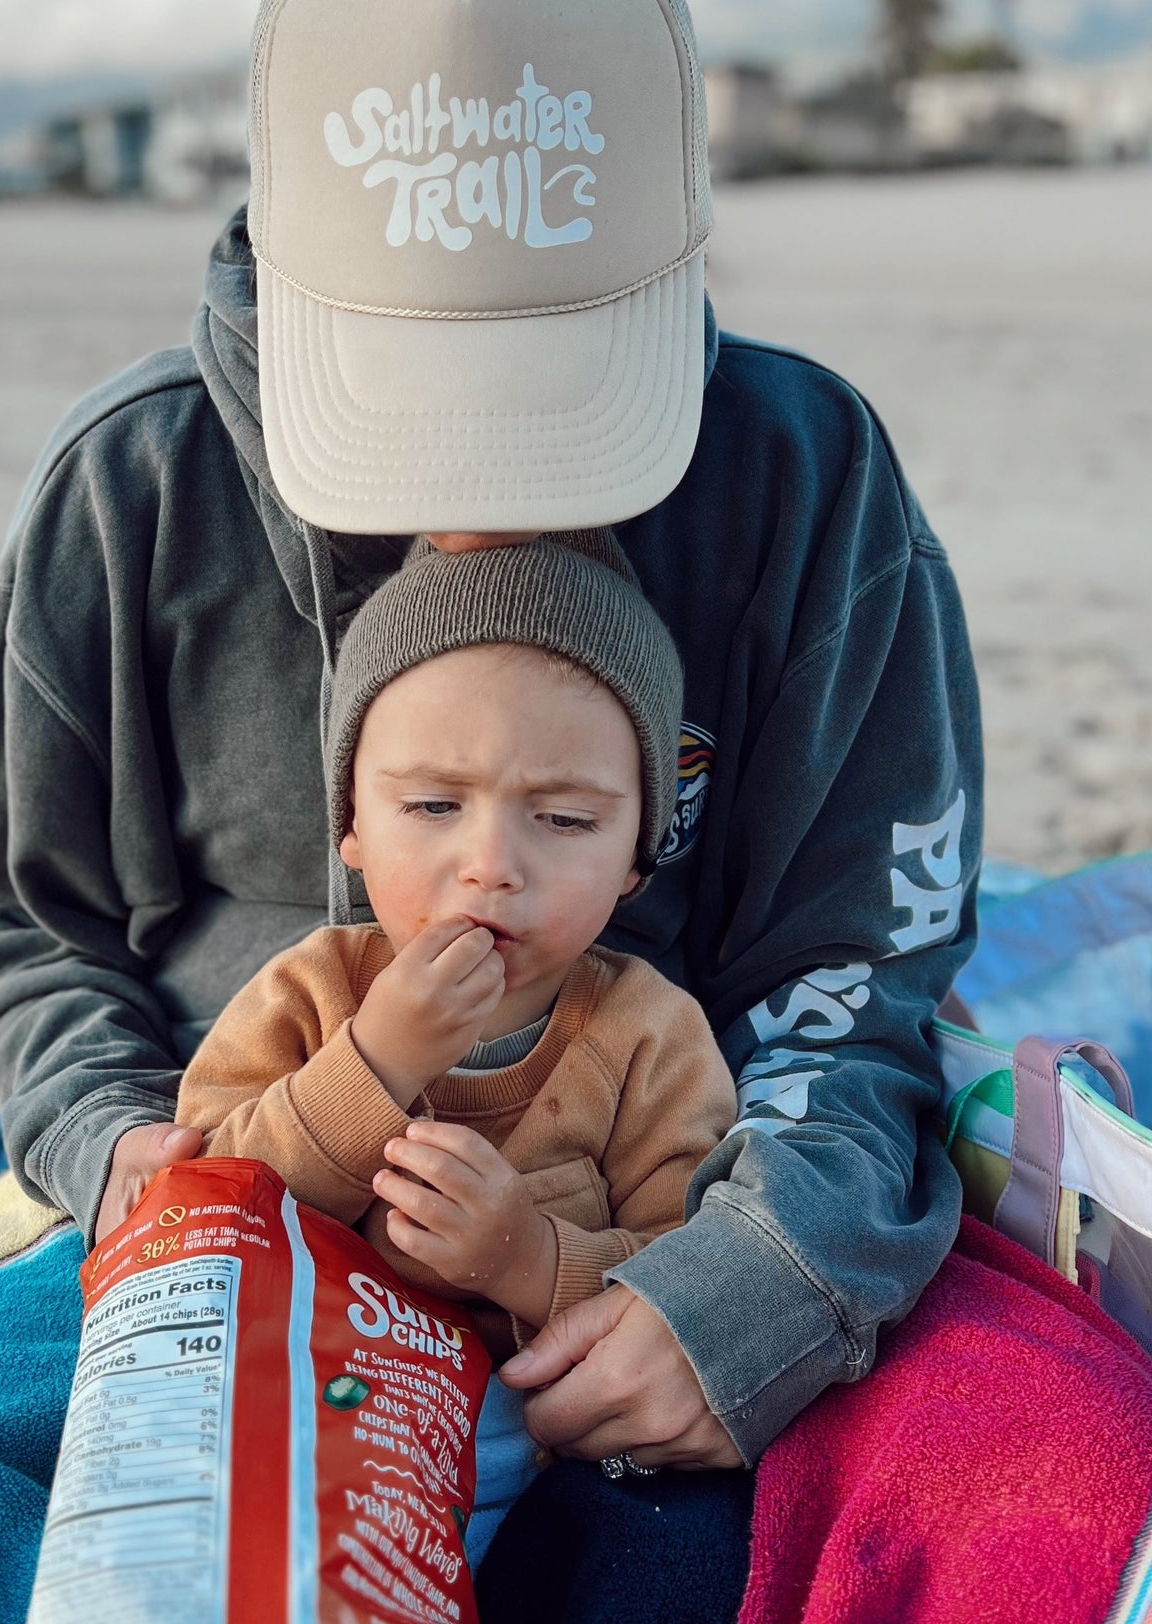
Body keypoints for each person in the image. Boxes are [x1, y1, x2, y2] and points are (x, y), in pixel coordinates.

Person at [0, 0, 982, 1623]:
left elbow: (866, 959)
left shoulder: (804, 481)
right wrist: (115, 1148)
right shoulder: (134, 488)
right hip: (209, 1215)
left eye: (562, 393)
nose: (482, 478)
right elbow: (16, 915)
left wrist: (752, 1294)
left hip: (656, 1240)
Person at [174, 533, 740, 1567]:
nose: (491, 866)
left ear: (634, 859)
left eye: (565, 818)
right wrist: (377, 1058)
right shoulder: (311, 992)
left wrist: (529, 1258)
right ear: (350, 823)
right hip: (300, 1426)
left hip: (553, 1460)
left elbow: (697, 1275)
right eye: (432, 806)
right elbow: (204, 1209)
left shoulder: (649, 1033)